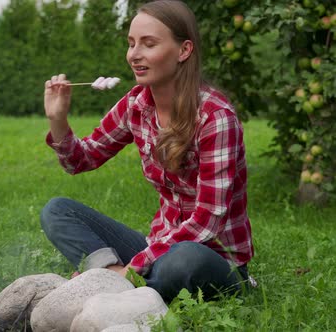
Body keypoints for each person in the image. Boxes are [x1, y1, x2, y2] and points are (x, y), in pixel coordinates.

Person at [40, 0, 254, 302]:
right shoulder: (136, 105)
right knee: (58, 210)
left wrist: (134, 268)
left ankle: (115, 282)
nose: (134, 55)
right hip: (159, 248)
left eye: (148, 44)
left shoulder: (215, 118)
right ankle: (116, 281)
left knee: (183, 261)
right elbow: (81, 160)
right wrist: (57, 119)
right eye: (131, 44)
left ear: (184, 51)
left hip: (213, 258)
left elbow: (206, 222)